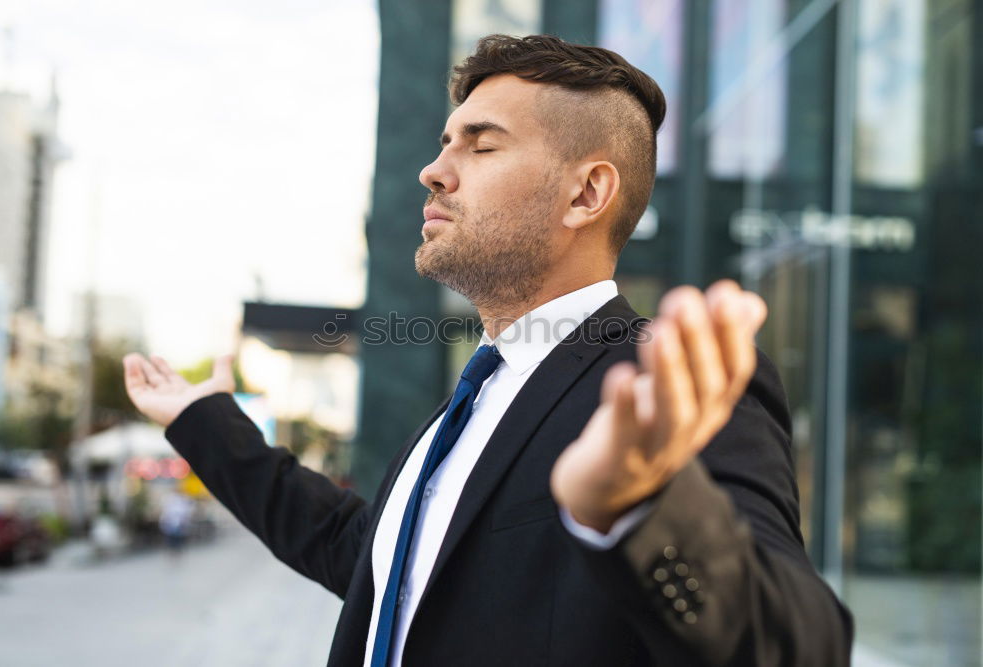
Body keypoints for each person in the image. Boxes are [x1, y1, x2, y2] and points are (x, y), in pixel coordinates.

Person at [123, 34, 852, 666]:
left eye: (482, 143)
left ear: (585, 194)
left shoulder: (660, 389)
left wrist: (641, 509)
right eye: (445, 142)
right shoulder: (468, 405)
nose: (434, 171)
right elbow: (374, 561)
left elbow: (800, 645)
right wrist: (205, 421)